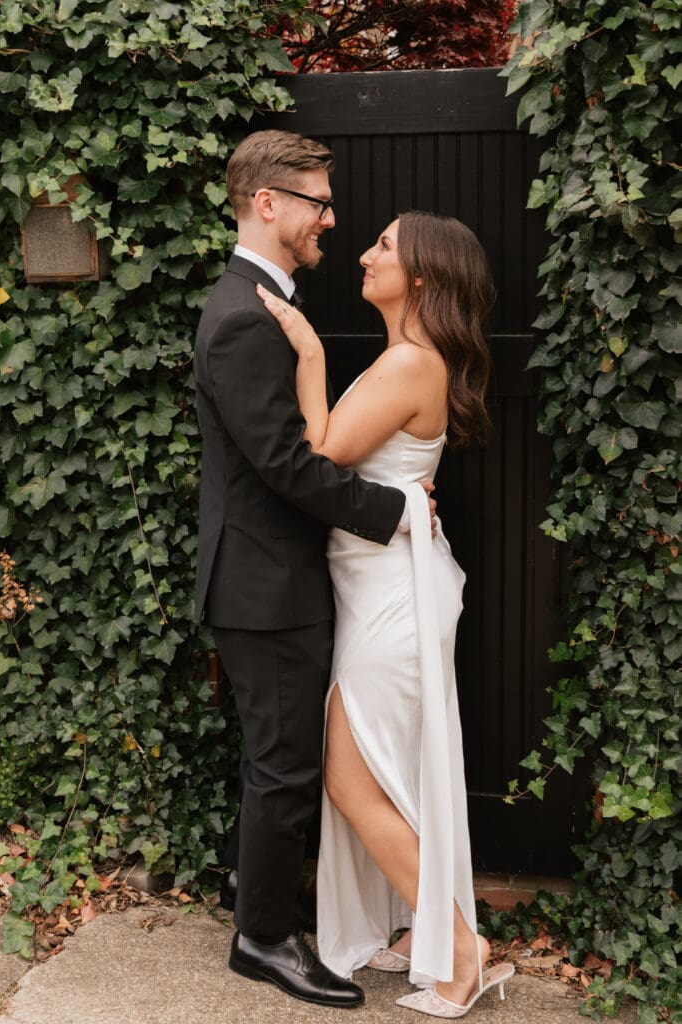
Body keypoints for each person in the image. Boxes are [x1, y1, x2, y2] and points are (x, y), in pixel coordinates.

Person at [193, 130, 436, 1009]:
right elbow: (287, 467)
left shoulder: (262, 304)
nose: (331, 218)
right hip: (264, 586)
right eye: (318, 202)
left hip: (276, 579)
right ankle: (262, 938)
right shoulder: (242, 317)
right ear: (269, 204)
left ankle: (254, 897)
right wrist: (396, 511)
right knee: (286, 765)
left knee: (280, 759)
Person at [257, 211, 515, 1020]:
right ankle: (419, 932)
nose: (364, 256)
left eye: (383, 248)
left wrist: (307, 355)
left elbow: (319, 454)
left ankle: (463, 951)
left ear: (424, 278)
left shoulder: (409, 362)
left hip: (392, 599)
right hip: (381, 587)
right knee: (393, 774)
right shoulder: (405, 359)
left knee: (349, 776)